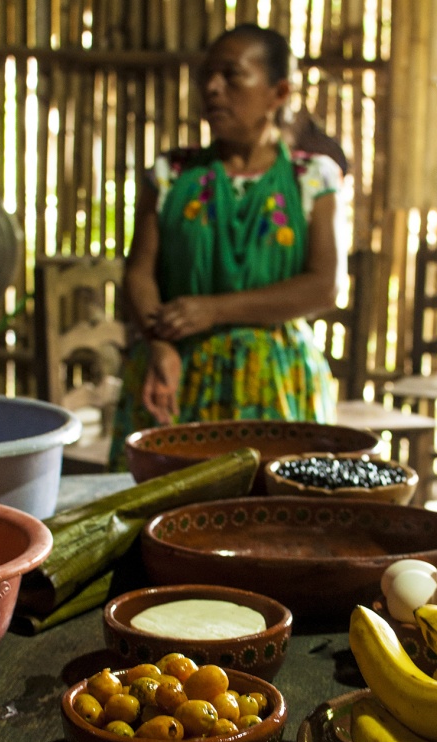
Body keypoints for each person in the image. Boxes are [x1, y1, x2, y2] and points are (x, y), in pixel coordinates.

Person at [108, 22, 347, 471]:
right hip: (175, 369)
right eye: (207, 76)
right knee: (159, 514)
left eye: (231, 75)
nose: (212, 88)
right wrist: (159, 345)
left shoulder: (313, 179)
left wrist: (214, 310)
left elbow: (324, 286)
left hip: (274, 381)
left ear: (278, 93)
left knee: (270, 516)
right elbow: (139, 272)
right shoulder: (172, 174)